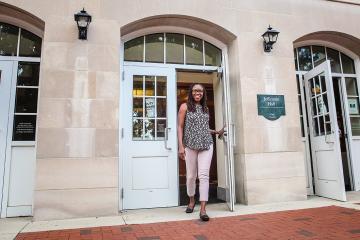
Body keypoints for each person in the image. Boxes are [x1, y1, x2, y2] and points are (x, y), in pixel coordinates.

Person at [177, 83, 222, 221]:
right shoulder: (184, 107)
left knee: (204, 175)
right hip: (190, 145)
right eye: (195, 90)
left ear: (203, 93)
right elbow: (180, 127)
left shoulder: (205, 108)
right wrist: (180, 146)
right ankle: (191, 200)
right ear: (191, 92)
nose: (198, 93)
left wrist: (215, 131)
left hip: (206, 145)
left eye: (200, 91)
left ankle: (203, 209)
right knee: (191, 176)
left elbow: (203, 128)